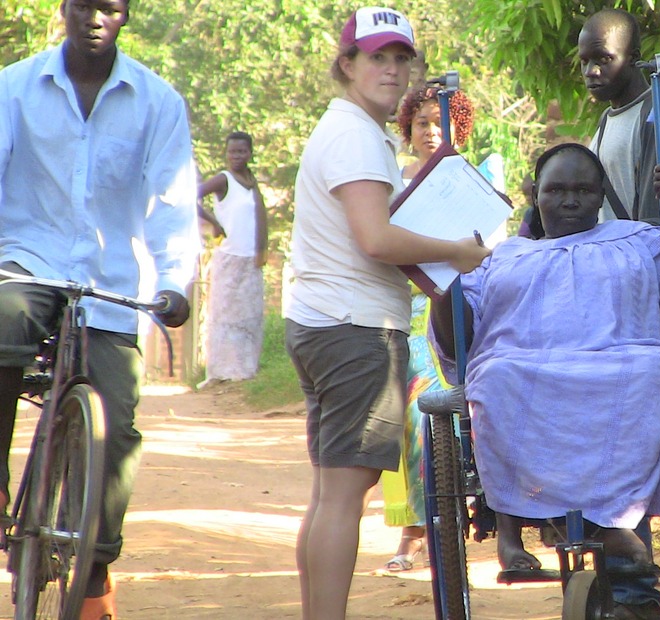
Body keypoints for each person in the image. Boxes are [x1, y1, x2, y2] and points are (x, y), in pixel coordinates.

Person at [431, 143, 660, 620]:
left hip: (623, 364)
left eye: (583, 189)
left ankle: (618, 538)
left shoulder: (638, 240)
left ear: (600, 196)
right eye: (557, 190)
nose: (570, 200)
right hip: (520, 368)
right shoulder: (500, 257)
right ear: (535, 193)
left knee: (651, 374)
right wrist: (442, 271)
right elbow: (460, 343)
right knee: (495, 376)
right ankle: (533, 530)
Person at [284, 8, 488, 620]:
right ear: (347, 65)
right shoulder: (354, 135)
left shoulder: (352, 129)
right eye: (377, 57)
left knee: (330, 493)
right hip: (353, 330)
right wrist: (456, 251)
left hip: (325, 321)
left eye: (401, 58)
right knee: (344, 497)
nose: (392, 69)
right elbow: (376, 239)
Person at [0, 1, 199, 617]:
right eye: (83, 4)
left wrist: (176, 285)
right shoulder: (13, 87)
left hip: (112, 286)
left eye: (109, 7)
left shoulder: (158, 101)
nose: (94, 18)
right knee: (3, 325)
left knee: (116, 426)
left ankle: (93, 564)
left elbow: (172, 201)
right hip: (27, 262)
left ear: (124, 16)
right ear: (64, 9)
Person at [379, 84, 476, 572]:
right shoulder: (392, 184)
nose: (431, 131)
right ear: (408, 130)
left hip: (467, 313)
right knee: (419, 419)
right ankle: (419, 529)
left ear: (459, 127)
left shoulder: (473, 179)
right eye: (421, 123)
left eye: (441, 122)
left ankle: (479, 520)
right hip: (411, 317)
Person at [197, 131, 268, 384]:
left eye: (241, 151)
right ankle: (221, 372)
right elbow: (191, 197)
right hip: (229, 257)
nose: (236, 156)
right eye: (231, 151)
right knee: (224, 315)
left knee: (248, 315)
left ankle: (245, 369)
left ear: (250, 153)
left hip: (250, 259)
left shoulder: (252, 183)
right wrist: (214, 223)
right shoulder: (223, 180)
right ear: (226, 154)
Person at [578, 8, 660, 224]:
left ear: (633, 58)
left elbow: (654, 219)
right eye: (584, 61)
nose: (590, 71)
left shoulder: (654, 114)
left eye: (604, 59)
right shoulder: (607, 118)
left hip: (638, 253)